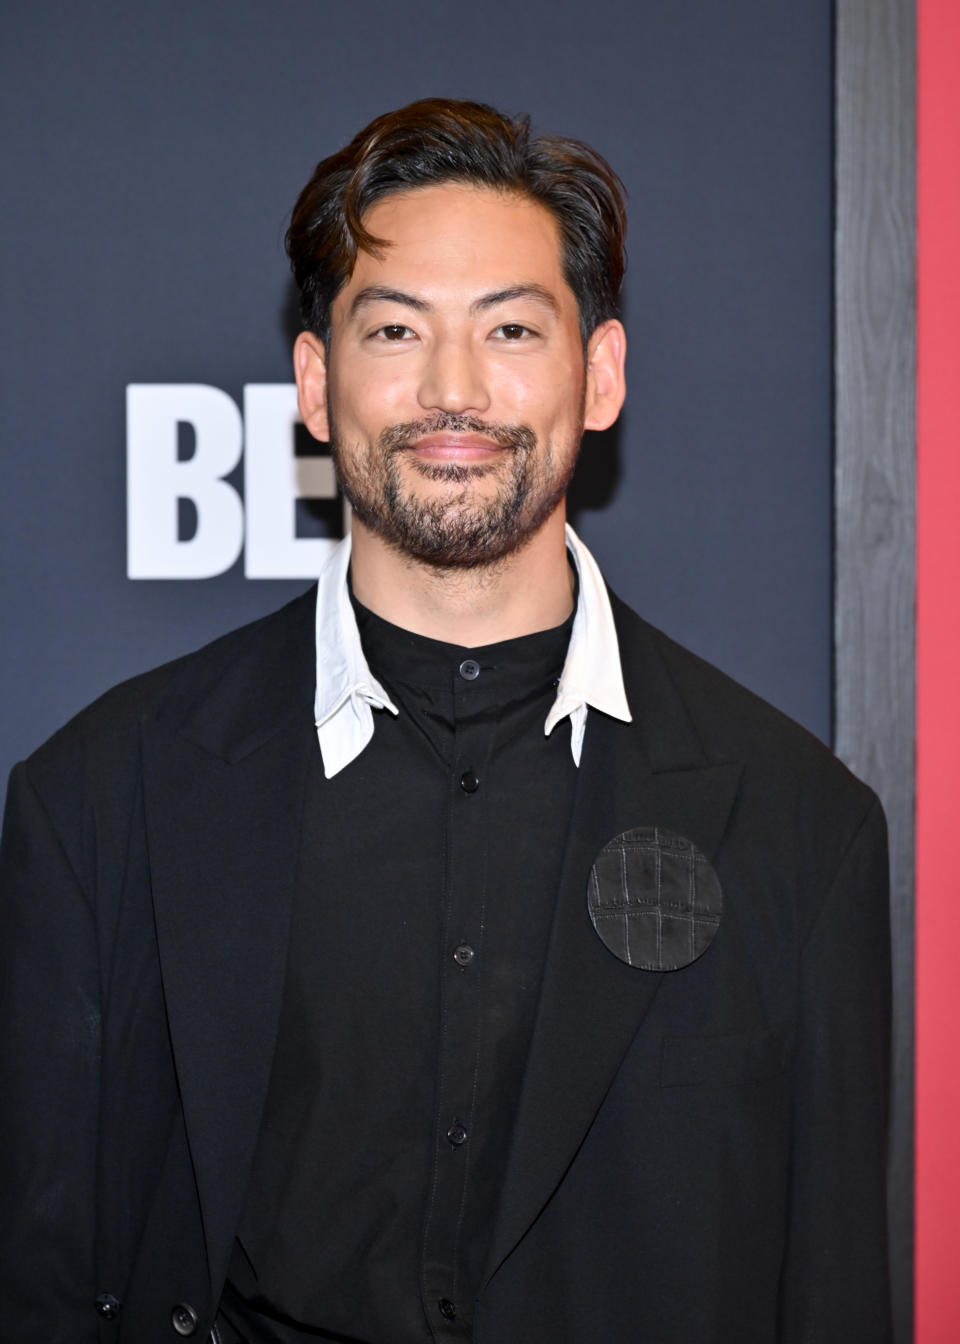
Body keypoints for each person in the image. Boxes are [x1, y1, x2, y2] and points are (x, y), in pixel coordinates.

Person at [0, 98, 891, 1343]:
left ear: (602, 375)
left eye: (513, 328)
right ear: (316, 386)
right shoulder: (97, 798)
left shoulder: (801, 827)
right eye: (396, 329)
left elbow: (835, 1295)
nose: (453, 390)